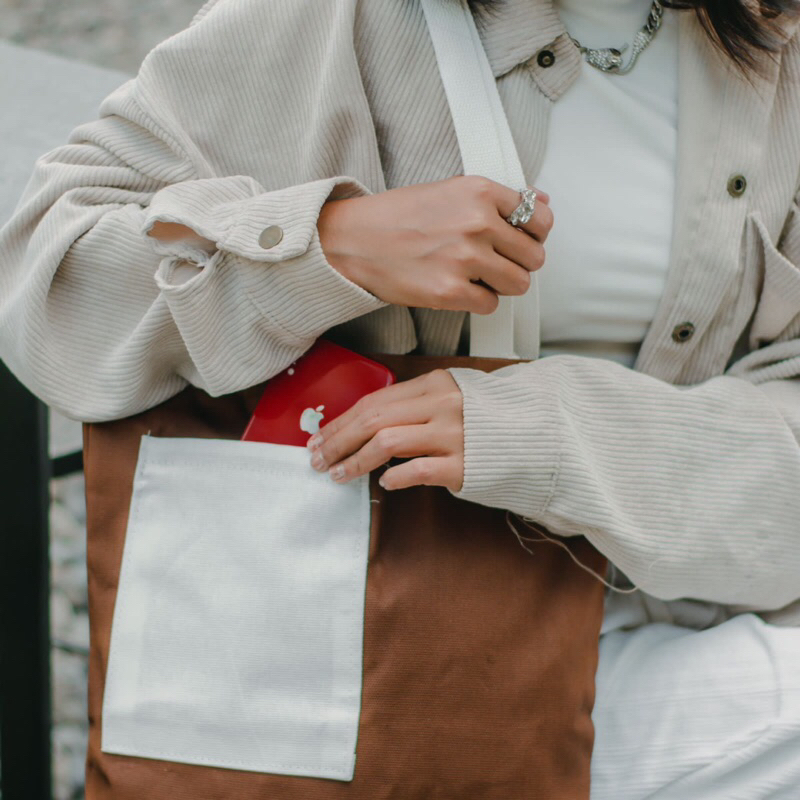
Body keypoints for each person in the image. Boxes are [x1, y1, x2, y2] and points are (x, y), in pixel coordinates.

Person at [1, 0, 800, 795]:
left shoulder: (773, 48)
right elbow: (46, 285)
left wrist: (550, 435)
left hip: (694, 613)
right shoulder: (342, 20)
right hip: (377, 655)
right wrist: (328, 246)